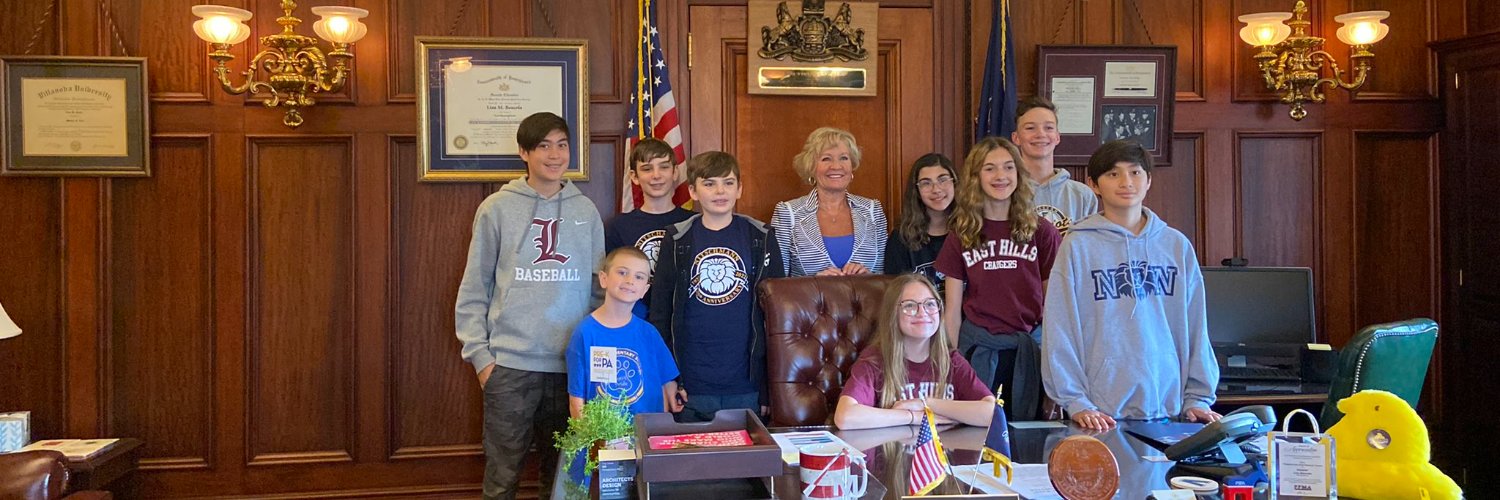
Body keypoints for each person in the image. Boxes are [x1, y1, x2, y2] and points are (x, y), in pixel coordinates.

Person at [455, 111, 604, 500]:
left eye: (562, 145)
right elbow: (475, 286)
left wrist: (591, 358)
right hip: (510, 369)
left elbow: (597, 291)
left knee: (564, 481)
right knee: (503, 477)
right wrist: (482, 360)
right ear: (524, 152)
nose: (554, 155)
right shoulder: (496, 208)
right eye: (543, 146)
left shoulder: (585, 211)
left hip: (570, 370)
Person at [1041, 140, 1221, 430]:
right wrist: (1075, 401)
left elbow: (1196, 326)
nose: (1126, 182)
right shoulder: (1077, 246)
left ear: (1149, 180)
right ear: (1094, 185)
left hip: (1170, 408)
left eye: (1135, 173)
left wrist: (1198, 397)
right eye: (1113, 174)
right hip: (1098, 414)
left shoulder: (1176, 245)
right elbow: (1060, 328)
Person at [649, 151, 785, 422]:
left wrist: (769, 387)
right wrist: (668, 377)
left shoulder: (761, 237)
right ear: (693, 191)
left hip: (746, 382)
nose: (720, 191)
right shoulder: (676, 239)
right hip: (691, 383)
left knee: (744, 463)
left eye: (728, 183)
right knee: (693, 462)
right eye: (709, 184)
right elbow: (660, 314)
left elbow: (778, 319)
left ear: (739, 189)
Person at [935, 137, 1060, 421]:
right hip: (979, 351)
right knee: (977, 440)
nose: (1001, 176)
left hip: (1030, 353)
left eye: (1008, 167)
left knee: (1028, 442)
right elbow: (952, 312)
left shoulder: (1042, 232)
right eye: (990, 168)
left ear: (1019, 174)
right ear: (976, 177)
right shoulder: (962, 234)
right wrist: (951, 367)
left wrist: (1056, 372)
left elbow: (1055, 309)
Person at [834, 274, 995, 430]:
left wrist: (925, 404)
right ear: (892, 313)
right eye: (909, 305)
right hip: (890, 455)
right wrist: (912, 417)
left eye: (930, 304)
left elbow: (992, 413)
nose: (922, 312)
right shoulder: (875, 360)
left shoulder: (951, 360)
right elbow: (845, 417)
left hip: (943, 455)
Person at [566, 247, 682, 416]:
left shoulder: (649, 333)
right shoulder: (585, 333)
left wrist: (658, 432)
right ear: (603, 279)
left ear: (645, 290)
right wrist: (591, 441)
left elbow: (665, 384)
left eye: (639, 277)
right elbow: (576, 402)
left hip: (645, 436)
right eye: (622, 272)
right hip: (603, 439)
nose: (630, 280)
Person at [771, 127, 888, 276]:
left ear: (852, 165)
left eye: (844, 158)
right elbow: (776, 284)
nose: (836, 166)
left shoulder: (872, 210)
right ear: (811, 166)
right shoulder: (788, 213)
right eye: (826, 158)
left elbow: (886, 279)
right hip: (806, 300)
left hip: (868, 299)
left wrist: (868, 278)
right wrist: (813, 285)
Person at [605, 138, 694, 318]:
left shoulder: (693, 223)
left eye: (664, 167)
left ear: (675, 171)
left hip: (683, 322)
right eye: (647, 169)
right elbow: (612, 284)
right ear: (634, 176)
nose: (656, 175)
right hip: (636, 320)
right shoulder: (618, 227)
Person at [1012, 96, 1097, 234]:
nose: (1040, 134)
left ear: (1057, 137)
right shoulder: (1005, 191)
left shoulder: (1082, 195)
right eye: (1030, 128)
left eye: (1048, 127)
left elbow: (1089, 248)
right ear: (1016, 138)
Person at [884, 154, 956, 295]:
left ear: (955, 183)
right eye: (926, 183)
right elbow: (896, 296)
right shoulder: (900, 239)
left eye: (943, 180)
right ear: (916, 191)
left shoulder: (972, 231)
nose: (936, 189)